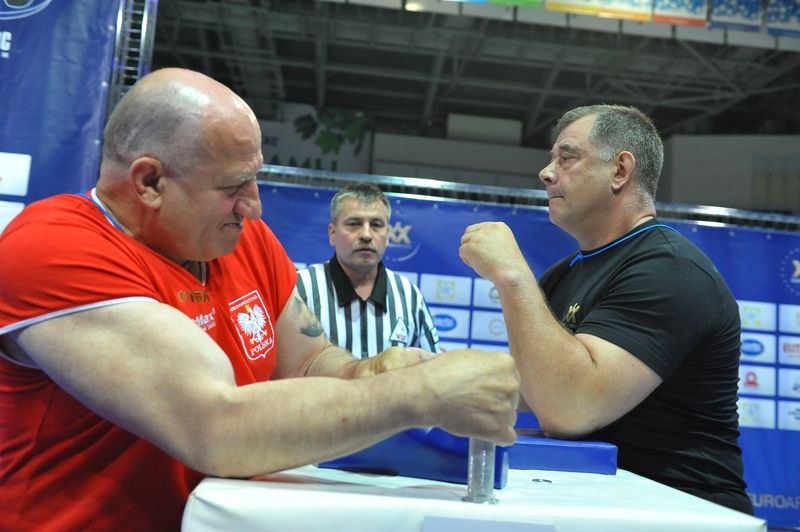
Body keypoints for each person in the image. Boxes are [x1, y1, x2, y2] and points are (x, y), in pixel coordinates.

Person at [0, 68, 519, 531]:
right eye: (235, 186)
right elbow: (215, 428)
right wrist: (420, 394)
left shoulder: (241, 239)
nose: (254, 205)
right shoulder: (54, 248)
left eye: (256, 177)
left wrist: (382, 369)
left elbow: (309, 360)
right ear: (150, 181)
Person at [459, 104, 752, 514]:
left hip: (682, 514)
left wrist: (512, 276)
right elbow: (530, 395)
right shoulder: (565, 274)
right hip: (602, 504)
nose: (546, 172)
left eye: (567, 156)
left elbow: (567, 410)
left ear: (620, 171)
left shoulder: (671, 269)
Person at [296, 182, 439, 359]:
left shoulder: (408, 295)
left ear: (387, 234)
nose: (366, 235)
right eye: (354, 224)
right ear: (332, 233)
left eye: (376, 225)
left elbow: (432, 366)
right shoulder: (301, 289)